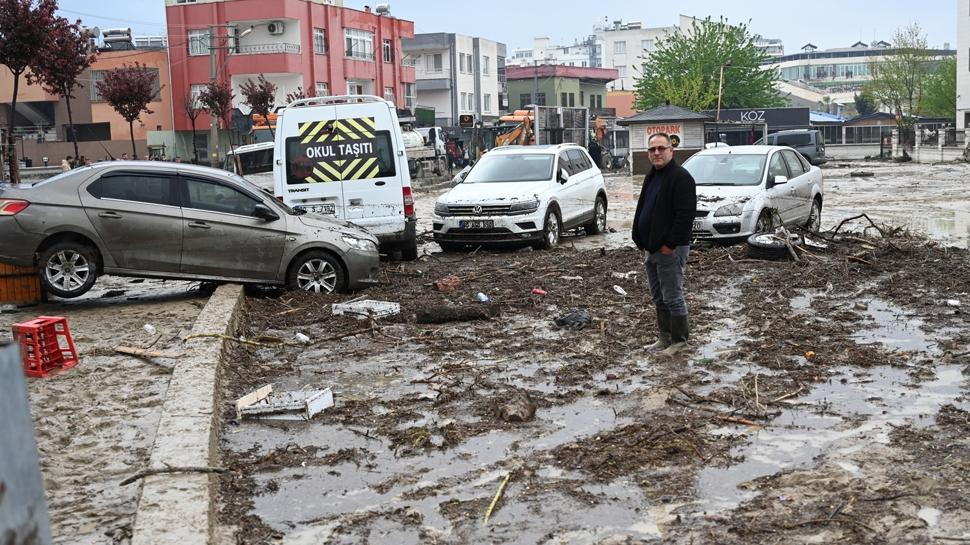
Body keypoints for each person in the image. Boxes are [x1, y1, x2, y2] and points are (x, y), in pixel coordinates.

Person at [631, 133, 697, 356]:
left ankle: (680, 341)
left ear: (671, 150)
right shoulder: (652, 176)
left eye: (661, 148)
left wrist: (670, 244)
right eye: (652, 150)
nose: (656, 153)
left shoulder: (681, 178)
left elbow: (685, 216)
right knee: (658, 296)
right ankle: (664, 337)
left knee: (672, 295)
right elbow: (643, 207)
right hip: (651, 247)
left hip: (670, 249)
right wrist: (637, 236)